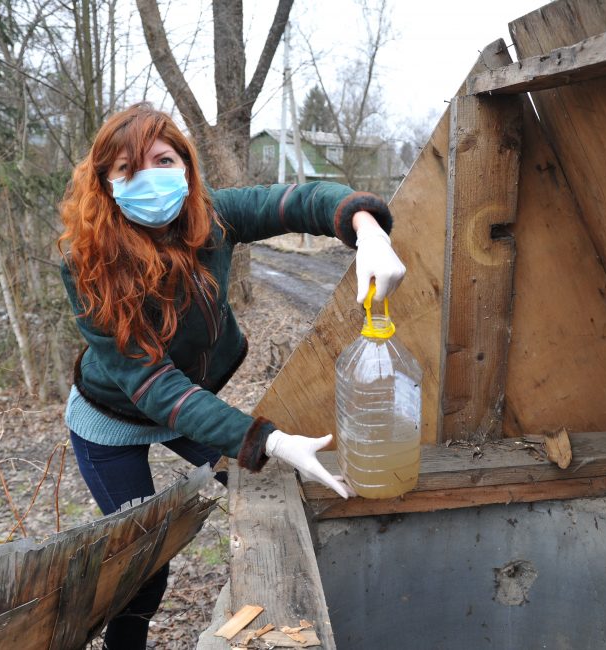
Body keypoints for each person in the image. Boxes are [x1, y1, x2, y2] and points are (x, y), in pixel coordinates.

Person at [57, 103, 405, 648]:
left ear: (187, 166)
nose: (148, 178)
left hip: (188, 405)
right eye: (126, 169)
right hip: (113, 422)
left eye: (162, 159)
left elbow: (298, 201)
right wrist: (267, 437)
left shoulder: (213, 217)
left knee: (261, 483)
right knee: (143, 571)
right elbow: (152, 385)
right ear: (104, 182)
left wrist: (366, 228)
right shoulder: (87, 261)